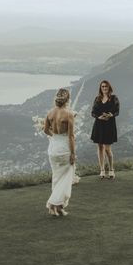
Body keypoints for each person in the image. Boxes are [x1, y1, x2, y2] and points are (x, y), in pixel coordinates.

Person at [44, 88, 76, 216]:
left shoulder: (50, 113)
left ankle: (58, 208)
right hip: (64, 148)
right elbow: (71, 136)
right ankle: (53, 204)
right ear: (68, 99)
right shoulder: (69, 114)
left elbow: (46, 130)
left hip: (53, 148)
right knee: (67, 178)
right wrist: (73, 153)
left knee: (56, 177)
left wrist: (55, 137)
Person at [90, 80, 120, 179]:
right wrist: (99, 117)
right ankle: (102, 170)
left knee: (107, 149)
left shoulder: (114, 98)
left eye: (106, 86)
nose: (104, 88)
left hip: (109, 125)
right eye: (102, 86)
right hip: (99, 125)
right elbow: (93, 112)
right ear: (100, 88)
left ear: (109, 87)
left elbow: (117, 111)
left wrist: (111, 115)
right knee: (99, 147)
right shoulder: (97, 99)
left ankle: (111, 169)